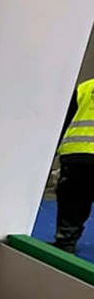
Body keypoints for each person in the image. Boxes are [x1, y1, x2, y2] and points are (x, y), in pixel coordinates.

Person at [54, 78, 94, 253]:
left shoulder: (85, 87)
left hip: (76, 153)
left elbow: (64, 121)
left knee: (72, 200)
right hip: (76, 153)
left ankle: (66, 241)